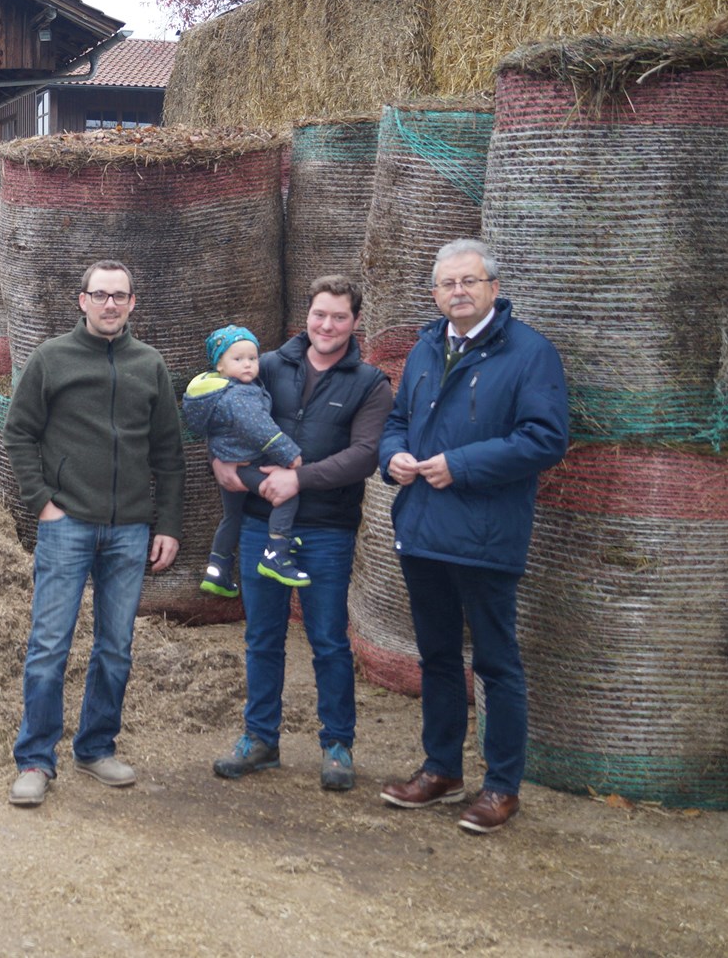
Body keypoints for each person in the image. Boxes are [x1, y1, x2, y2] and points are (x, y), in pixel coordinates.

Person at [378, 238, 568, 834]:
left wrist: (460, 464)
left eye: (469, 281)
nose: (457, 292)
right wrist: (395, 458)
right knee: (435, 656)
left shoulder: (529, 352)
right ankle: (441, 770)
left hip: (485, 534)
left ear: (493, 287)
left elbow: (544, 438)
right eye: (446, 284)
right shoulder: (426, 347)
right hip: (423, 527)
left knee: (495, 661)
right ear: (435, 293)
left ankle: (502, 785)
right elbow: (397, 421)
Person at [3, 259, 186, 807]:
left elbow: (170, 456)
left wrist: (168, 525)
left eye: (120, 296)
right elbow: (19, 434)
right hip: (67, 526)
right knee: (49, 645)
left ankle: (96, 746)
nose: (111, 304)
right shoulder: (51, 359)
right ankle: (36, 758)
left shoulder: (148, 365)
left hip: (129, 530)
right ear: (81, 300)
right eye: (100, 294)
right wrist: (44, 504)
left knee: (115, 647)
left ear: (133, 303)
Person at [210, 275, 393, 792]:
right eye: (319, 314)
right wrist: (221, 461)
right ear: (305, 317)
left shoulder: (370, 384)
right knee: (262, 636)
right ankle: (260, 739)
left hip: (326, 531)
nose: (327, 326)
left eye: (339, 317)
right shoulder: (266, 365)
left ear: (356, 322)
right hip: (258, 523)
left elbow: (364, 456)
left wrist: (299, 478)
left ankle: (337, 744)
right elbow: (224, 412)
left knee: (329, 640)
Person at [182, 324, 308, 597]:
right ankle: (277, 550)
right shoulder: (240, 396)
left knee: (232, 516)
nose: (248, 365)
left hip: (229, 460)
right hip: (246, 463)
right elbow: (260, 429)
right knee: (286, 496)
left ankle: (217, 569)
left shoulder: (220, 391)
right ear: (220, 365)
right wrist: (289, 454)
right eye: (238, 359)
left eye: (252, 358)